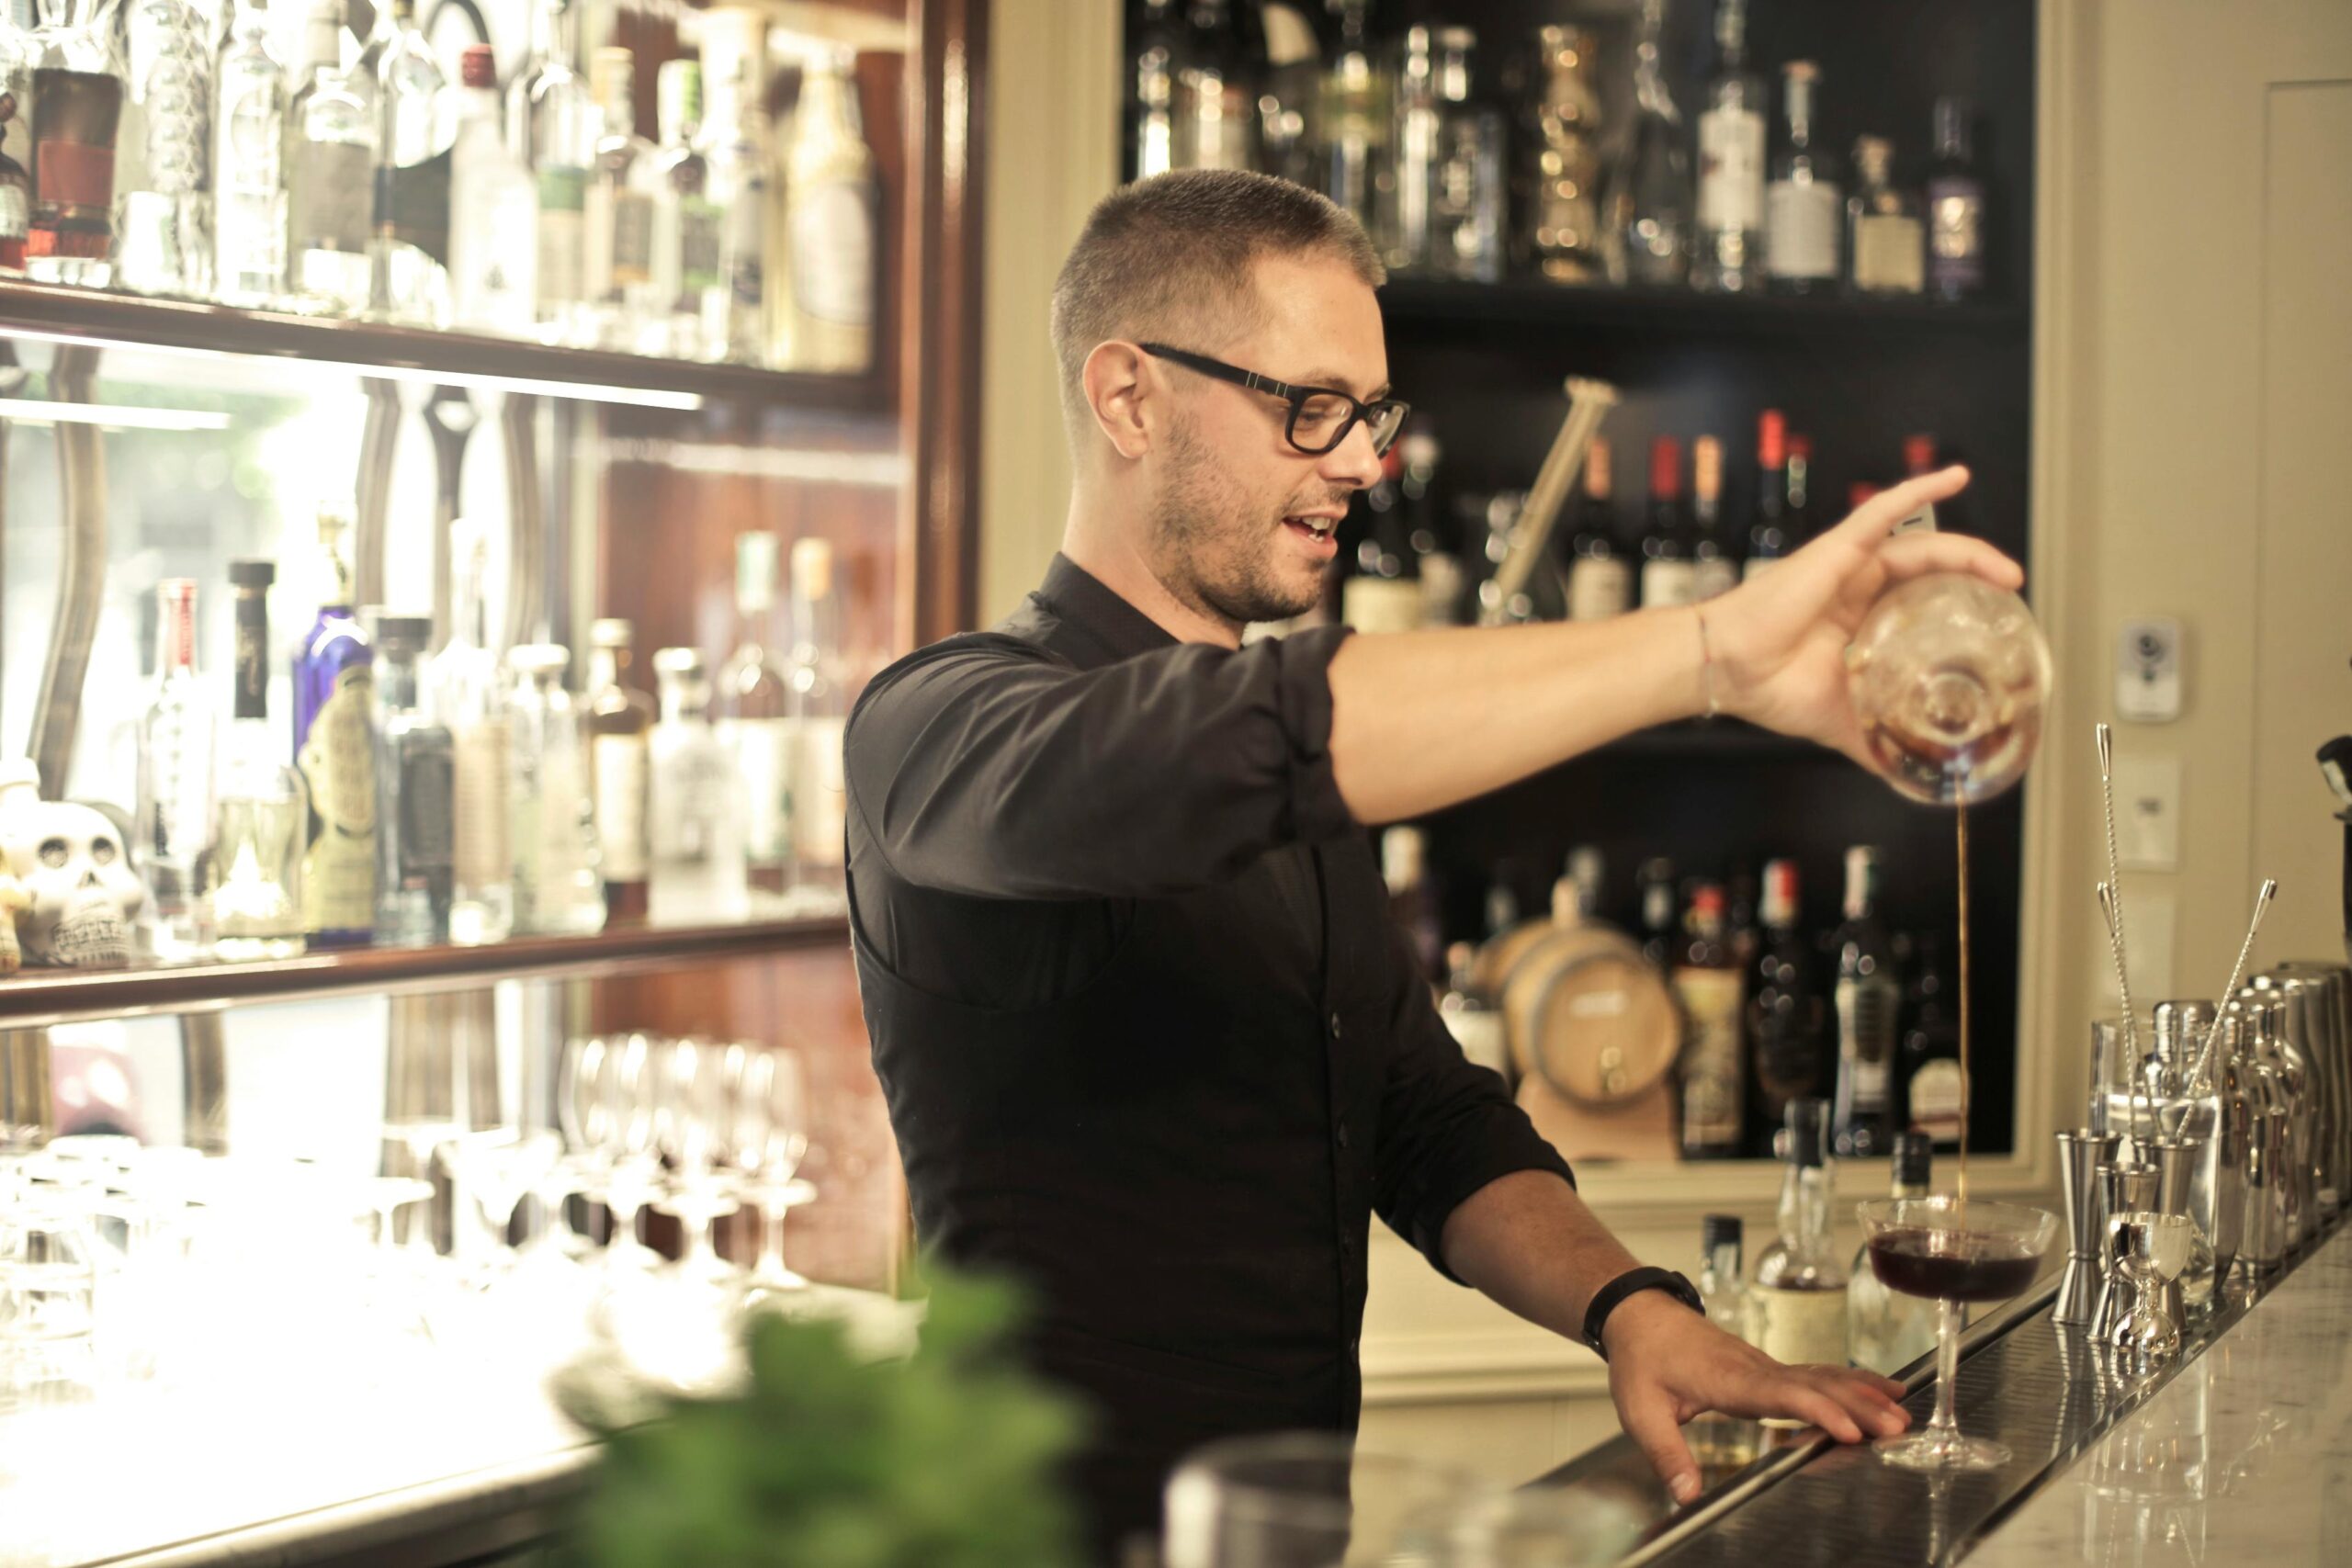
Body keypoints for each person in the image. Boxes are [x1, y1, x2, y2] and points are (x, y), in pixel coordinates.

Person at [845, 169, 2014, 1558]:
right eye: (1310, 408)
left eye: (1371, 415)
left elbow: (1424, 1118)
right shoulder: (941, 728)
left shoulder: (1305, 790)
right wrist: (1706, 651)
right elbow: (1231, 743)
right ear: (1130, 398)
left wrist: (1633, 1310)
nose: (1362, 462)